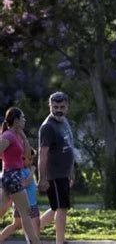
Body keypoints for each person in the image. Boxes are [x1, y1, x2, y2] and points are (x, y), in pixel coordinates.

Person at [0, 107, 41, 243]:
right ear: (16, 120)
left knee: (3, 209)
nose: (25, 120)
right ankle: (36, 242)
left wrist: (24, 137)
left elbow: (27, 155)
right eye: (22, 117)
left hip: (13, 175)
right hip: (11, 176)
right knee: (26, 211)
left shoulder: (17, 136)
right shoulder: (8, 136)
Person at [38, 91, 75, 244]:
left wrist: (71, 172)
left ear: (67, 106)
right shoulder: (48, 127)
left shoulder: (64, 121)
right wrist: (42, 177)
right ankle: (60, 241)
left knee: (55, 208)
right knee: (62, 208)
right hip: (55, 174)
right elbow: (43, 153)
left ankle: (32, 231)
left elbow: (69, 146)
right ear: (50, 106)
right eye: (55, 107)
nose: (59, 110)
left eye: (62, 106)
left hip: (64, 173)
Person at [0, 148, 40, 242]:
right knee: (34, 225)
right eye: (29, 159)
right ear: (21, 158)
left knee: (17, 225)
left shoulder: (26, 169)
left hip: (32, 202)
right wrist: (32, 172)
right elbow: (24, 183)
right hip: (24, 204)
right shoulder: (18, 171)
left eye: (32, 160)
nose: (31, 162)